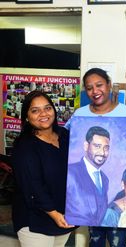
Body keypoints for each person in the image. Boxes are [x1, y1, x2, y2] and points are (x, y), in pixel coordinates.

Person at [65, 67, 126, 247]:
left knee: (118, 241)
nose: (95, 91)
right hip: (89, 207)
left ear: (109, 85)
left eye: (99, 85)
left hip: (117, 203)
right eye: (89, 88)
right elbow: (64, 140)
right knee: (95, 239)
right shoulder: (80, 115)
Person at [11, 90, 75, 247]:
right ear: (26, 116)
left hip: (63, 214)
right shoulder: (24, 146)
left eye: (47, 108)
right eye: (35, 110)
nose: (43, 114)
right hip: (34, 219)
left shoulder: (65, 135)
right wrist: (54, 214)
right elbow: (33, 186)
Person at [65, 126, 110, 226]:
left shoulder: (105, 179)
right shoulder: (71, 172)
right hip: (66, 228)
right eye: (97, 146)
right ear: (86, 146)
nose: (102, 152)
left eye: (106, 148)